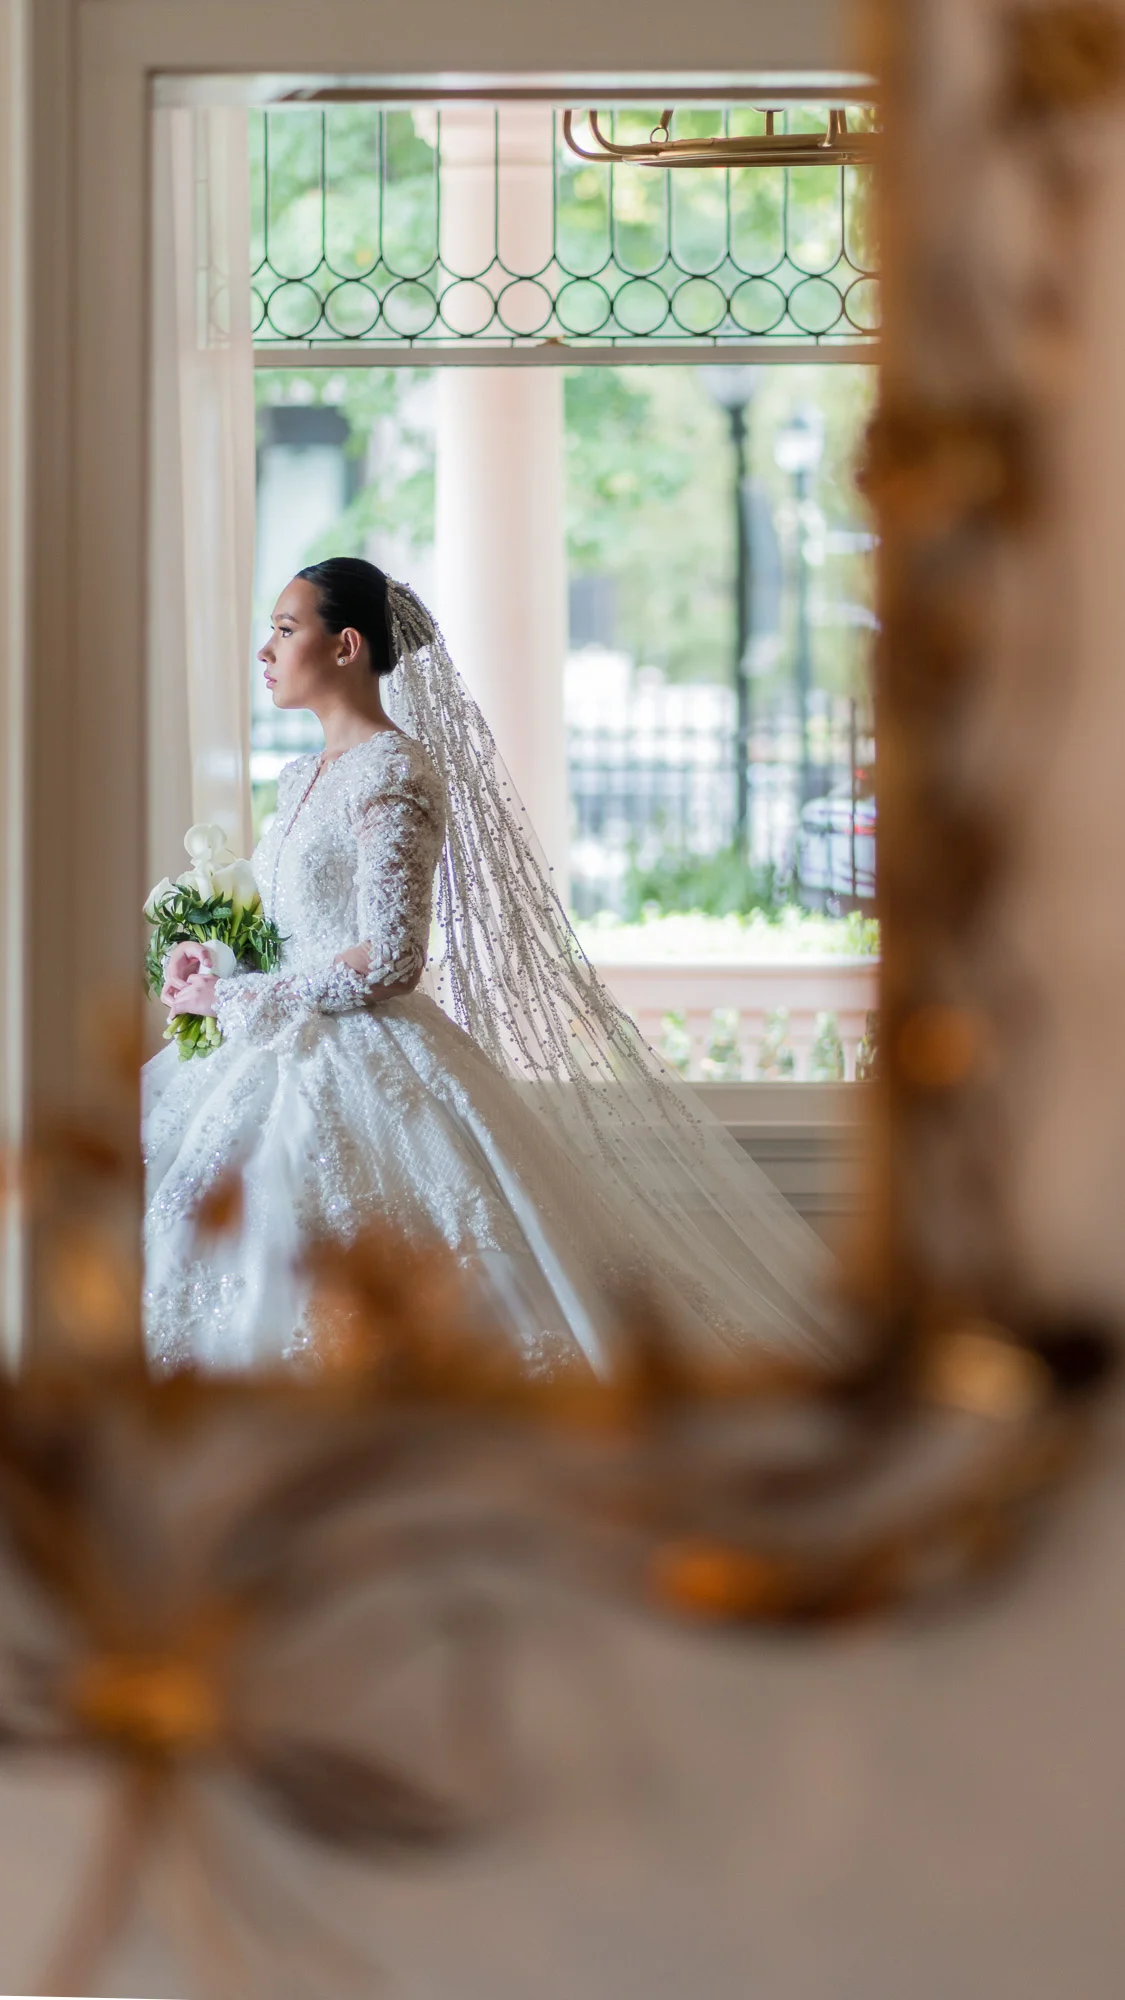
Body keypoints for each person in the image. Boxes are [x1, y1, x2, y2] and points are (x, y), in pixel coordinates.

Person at [143, 557, 837, 1375]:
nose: (265, 651)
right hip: (264, 1047)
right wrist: (212, 959)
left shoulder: (393, 772)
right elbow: (300, 924)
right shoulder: (300, 775)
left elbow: (392, 959)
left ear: (346, 646)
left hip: (363, 1057)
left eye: (286, 630)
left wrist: (240, 994)